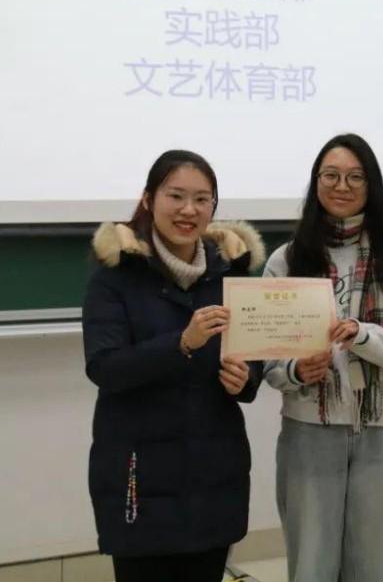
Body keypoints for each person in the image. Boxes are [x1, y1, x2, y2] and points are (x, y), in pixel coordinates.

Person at [262, 133, 383, 582]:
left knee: (373, 566)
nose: (341, 186)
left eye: (355, 177)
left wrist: (365, 336)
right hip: (310, 428)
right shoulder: (288, 259)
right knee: (311, 564)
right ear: (316, 182)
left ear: (370, 184)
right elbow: (267, 355)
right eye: (331, 175)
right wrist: (295, 370)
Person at [82, 150, 265, 582]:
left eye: (202, 199)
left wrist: (245, 379)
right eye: (176, 196)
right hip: (140, 474)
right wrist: (182, 343)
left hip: (214, 471)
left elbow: (253, 358)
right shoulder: (116, 276)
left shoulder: (231, 275)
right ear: (149, 199)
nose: (189, 210)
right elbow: (105, 368)